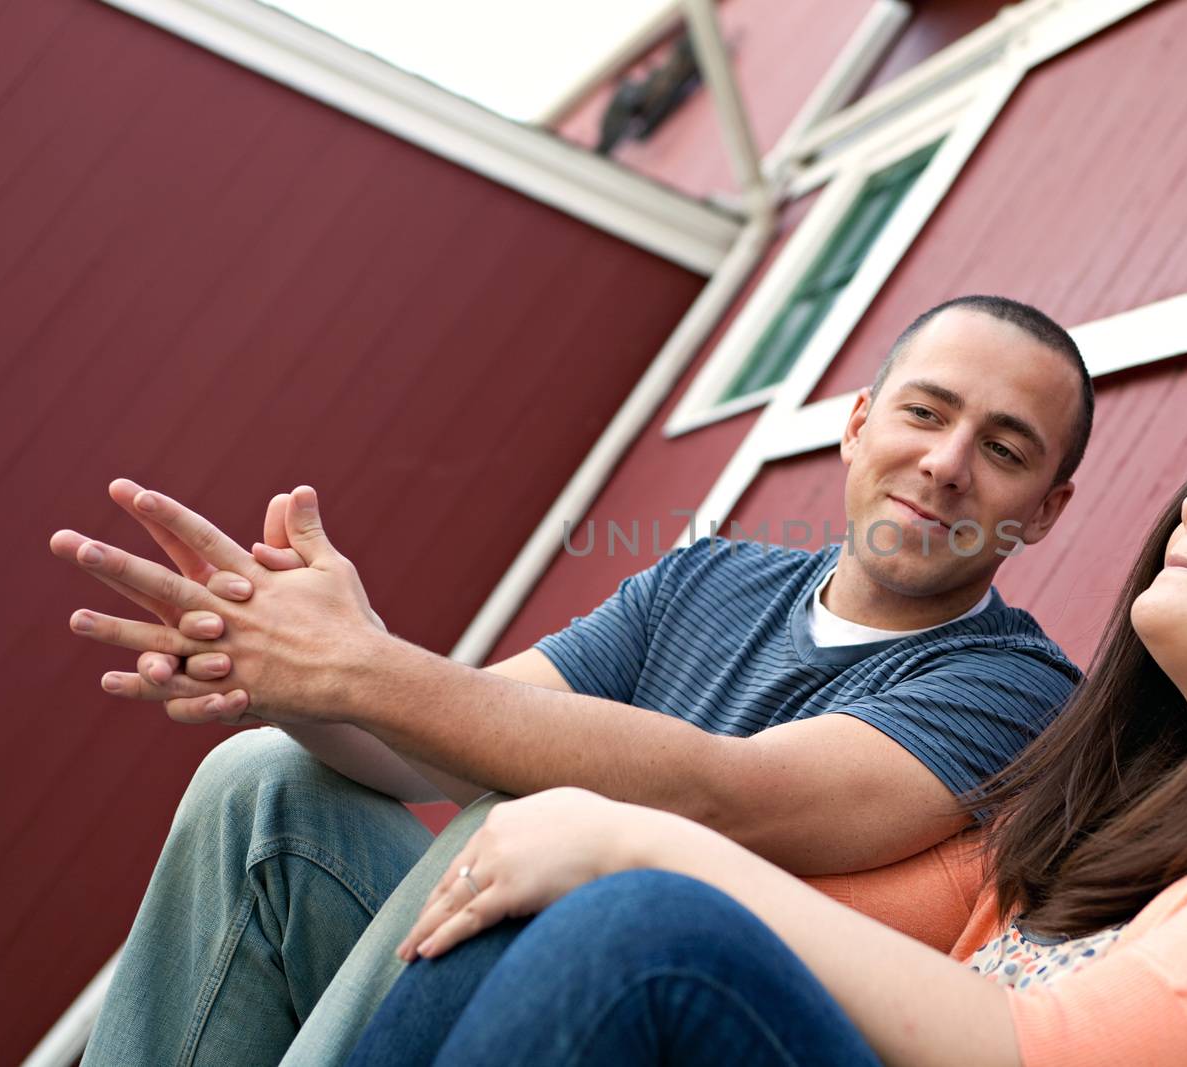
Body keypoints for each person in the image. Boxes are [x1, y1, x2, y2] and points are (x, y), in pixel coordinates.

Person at [350, 375, 1187, 1067]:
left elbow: (1055, 1054)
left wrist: (636, 839)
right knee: (560, 895)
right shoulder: (1089, 816)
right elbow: (803, 917)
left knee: (643, 920)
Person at [55, 295, 1094, 1066]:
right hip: (474, 988)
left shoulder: (1015, 686)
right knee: (264, 776)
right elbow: (433, 739)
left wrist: (367, 667)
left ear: (1045, 508)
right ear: (859, 421)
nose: (946, 463)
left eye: (1002, 449)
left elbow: (725, 789)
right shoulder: (711, 576)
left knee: (525, 819)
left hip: (636, 1017)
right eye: (925, 412)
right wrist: (299, 682)